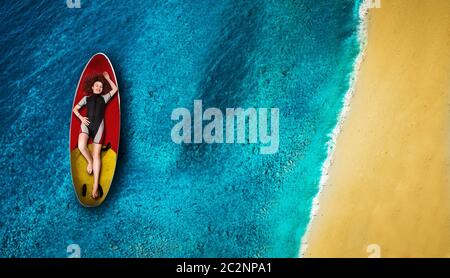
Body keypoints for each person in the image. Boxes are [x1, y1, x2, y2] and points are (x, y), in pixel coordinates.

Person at [72, 71, 118, 199]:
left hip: (98, 127)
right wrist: (81, 118)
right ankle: (90, 161)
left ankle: (96, 186)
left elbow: (115, 89)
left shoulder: (104, 98)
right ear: (92, 87)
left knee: (97, 154)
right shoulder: (86, 98)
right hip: (86, 125)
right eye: (97, 86)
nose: (99, 88)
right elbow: (75, 109)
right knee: (82, 146)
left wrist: (108, 79)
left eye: (101, 87)